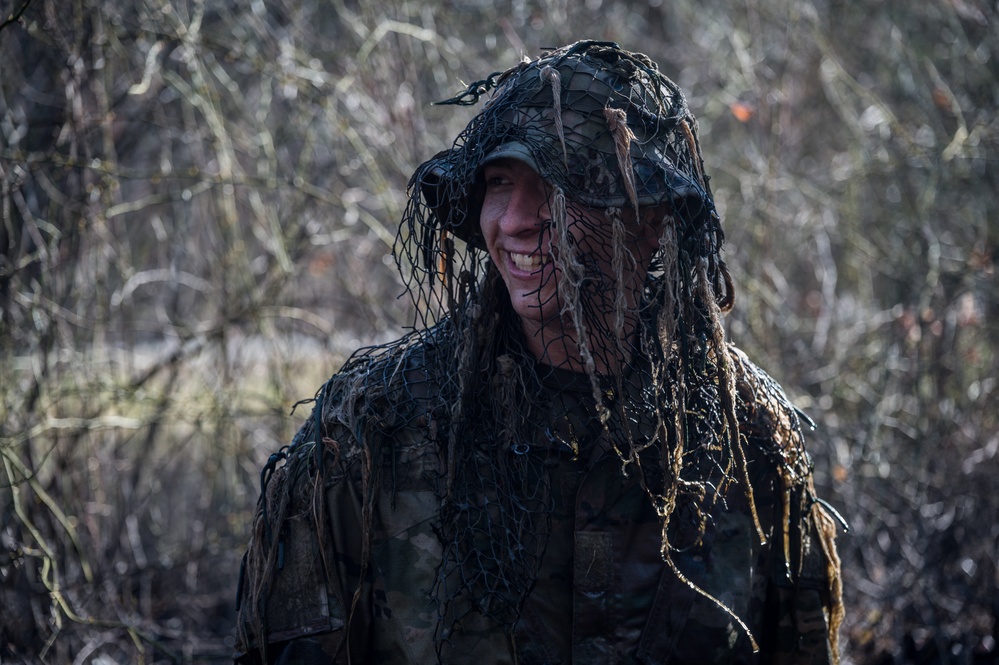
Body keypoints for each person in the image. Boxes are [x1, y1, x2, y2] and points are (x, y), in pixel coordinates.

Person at [235, 40, 844, 664]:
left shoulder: (747, 441)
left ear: (652, 215)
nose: (518, 219)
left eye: (562, 185)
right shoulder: (375, 430)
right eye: (501, 183)